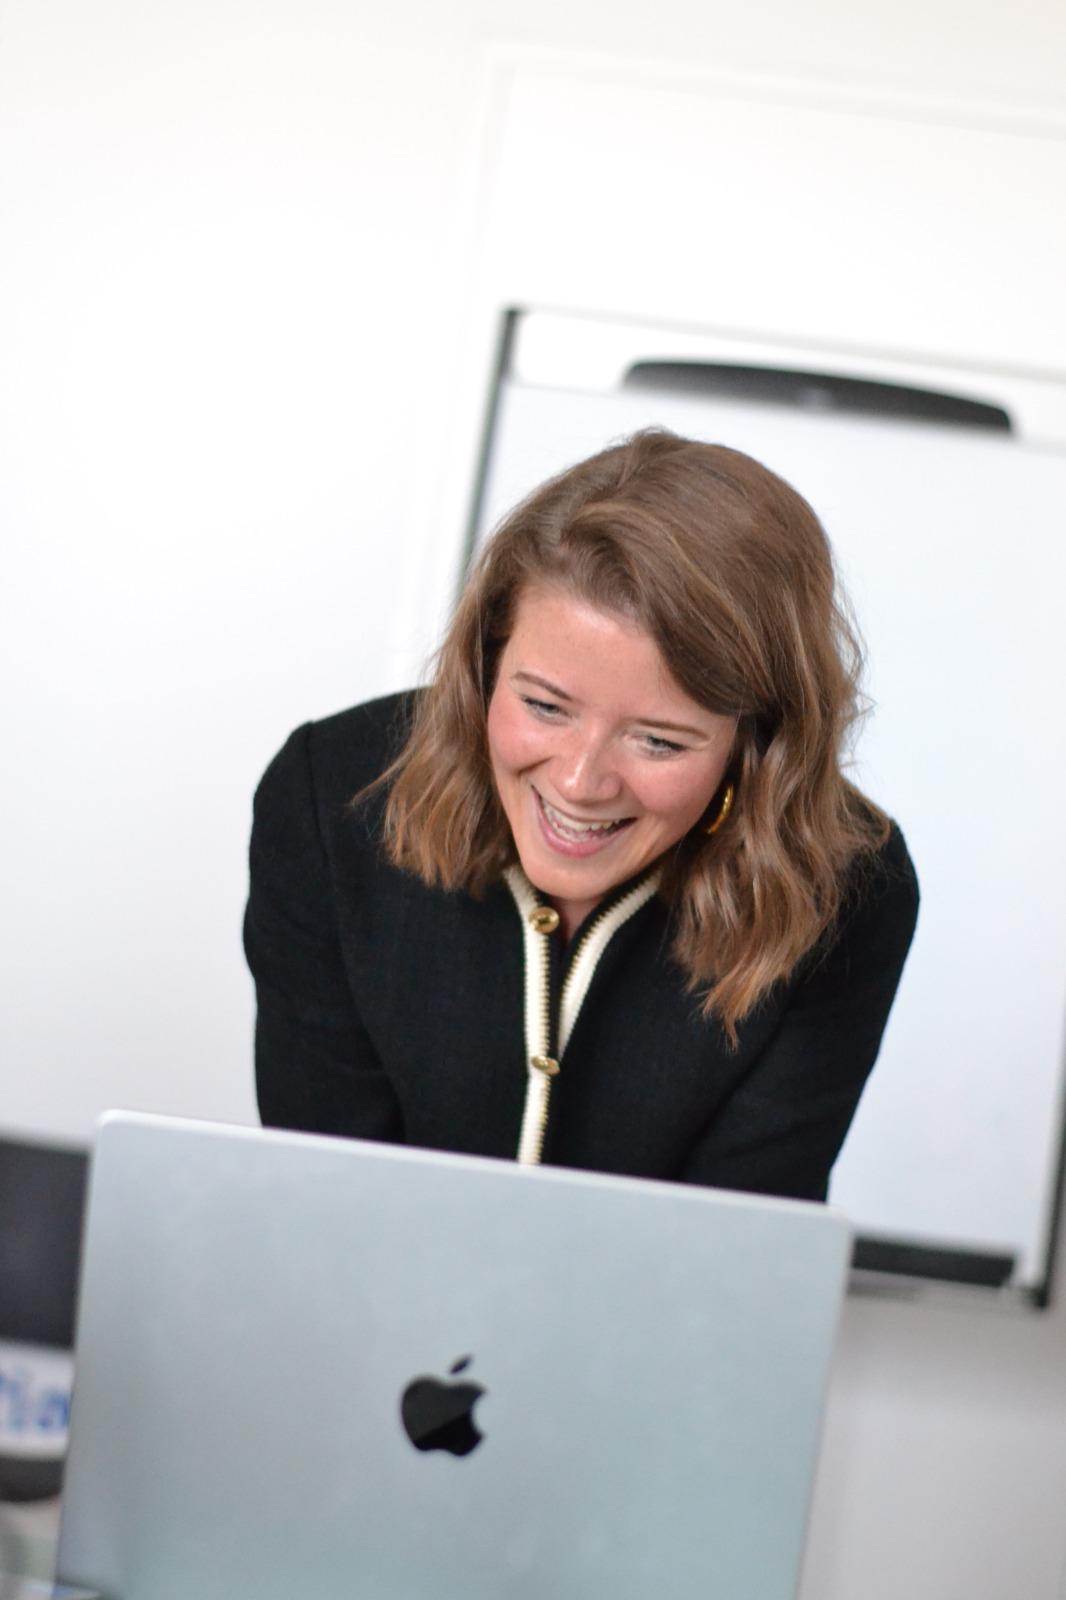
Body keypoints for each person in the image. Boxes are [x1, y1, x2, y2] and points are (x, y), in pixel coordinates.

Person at [244, 429, 918, 1201]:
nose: (579, 781)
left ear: (756, 744)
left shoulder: (851, 888)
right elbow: (323, 1192)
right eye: (543, 705)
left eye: (659, 742)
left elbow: (733, 1250)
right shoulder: (330, 792)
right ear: (486, 659)